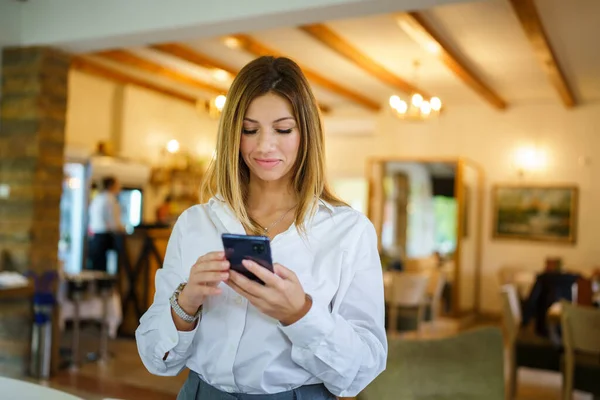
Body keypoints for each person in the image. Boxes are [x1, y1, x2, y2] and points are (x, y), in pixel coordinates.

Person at [136, 56, 387, 400]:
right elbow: (155, 358)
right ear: (232, 135)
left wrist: (300, 314)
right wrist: (186, 302)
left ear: (306, 134)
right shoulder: (196, 223)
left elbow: (362, 370)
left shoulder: (349, 231)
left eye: (283, 130)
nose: (264, 145)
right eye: (249, 130)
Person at [87, 176, 124, 272]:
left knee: (96, 265)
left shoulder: (98, 198)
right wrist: (121, 229)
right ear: (111, 186)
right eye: (117, 185)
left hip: (95, 235)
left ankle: (97, 286)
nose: (119, 187)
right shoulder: (110, 199)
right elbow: (113, 221)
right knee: (103, 267)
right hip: (105, 236)